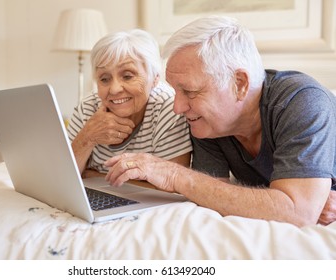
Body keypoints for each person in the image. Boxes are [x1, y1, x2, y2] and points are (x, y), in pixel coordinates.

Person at [104, 16, 336, 227]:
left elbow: (297, 213)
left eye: (190, 91)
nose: (178, 107)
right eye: (176, 91)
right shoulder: (207, 124)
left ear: (240, 84)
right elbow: (212, 193)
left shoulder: (302, 101)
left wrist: (175, 175)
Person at [67, 29, 192, 181]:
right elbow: (63, 179)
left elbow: (173, 187)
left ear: (155, 78)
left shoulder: (169, 110)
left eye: (127, 76)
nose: (114, 89)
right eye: (104, 79)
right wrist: (87, 137)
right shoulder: (88, 108)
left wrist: (94, 175)